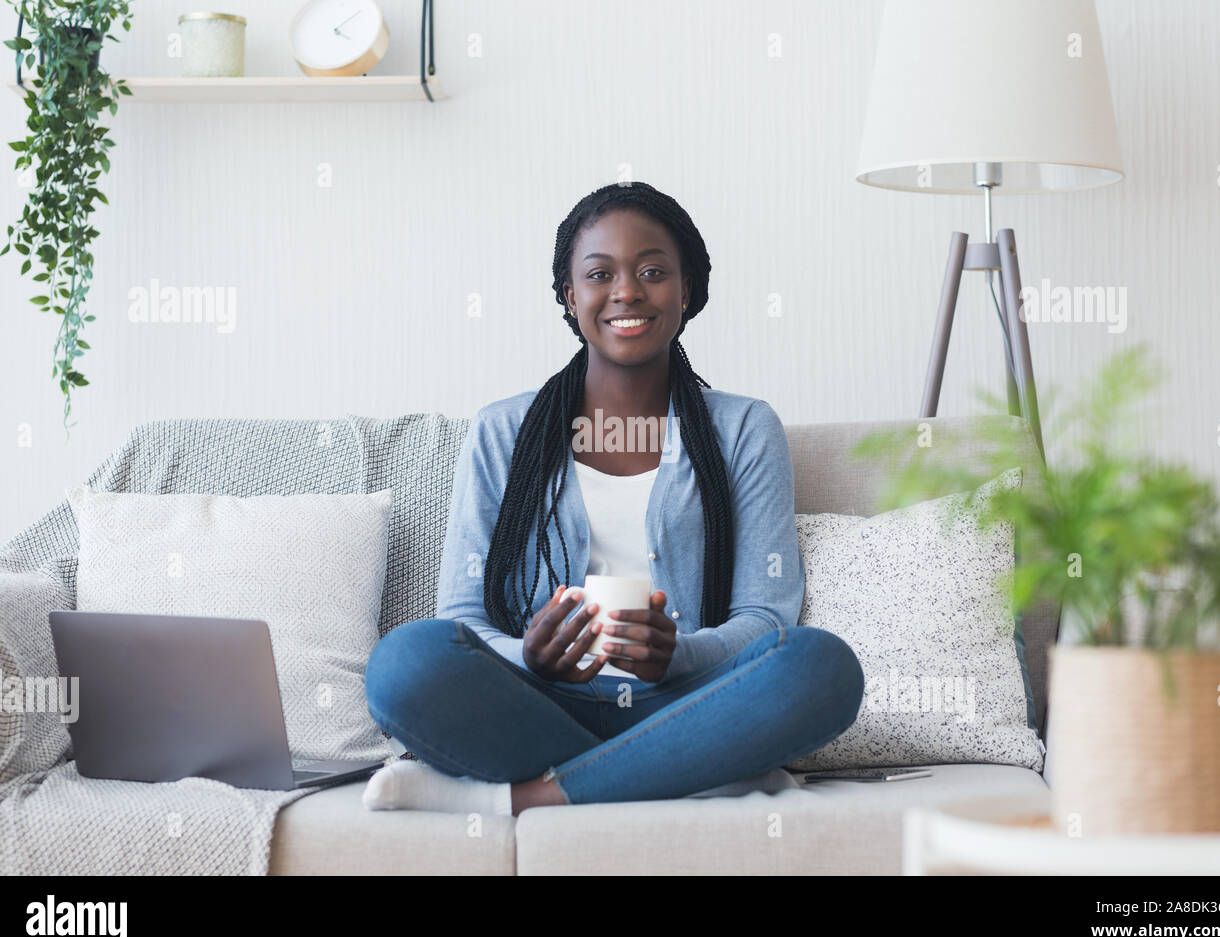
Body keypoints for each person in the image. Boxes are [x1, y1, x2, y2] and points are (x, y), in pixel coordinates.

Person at [363, 181, 863, 817]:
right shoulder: (501, 431)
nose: (627, 290)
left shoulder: (744, 428)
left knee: (821, 666)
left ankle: (533, 796)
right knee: (405, 661)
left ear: (687, 290)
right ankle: (699, 771)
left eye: (653, 271)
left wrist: (676, 654)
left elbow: (766, 616)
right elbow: (464, 620)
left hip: (690, 702)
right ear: (571, 297)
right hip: (539, 704)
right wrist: (532, 658)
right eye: (601, 274)